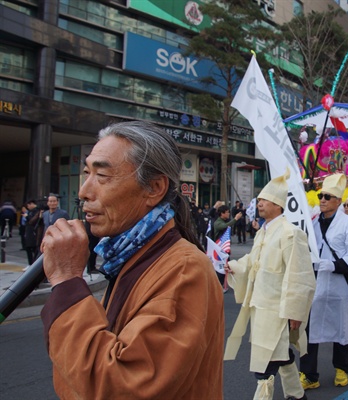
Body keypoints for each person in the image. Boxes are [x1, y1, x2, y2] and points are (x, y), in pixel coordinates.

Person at [39, 121, 224, 399]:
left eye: (102, 176)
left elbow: (121, 385)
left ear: (154, 188)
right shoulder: (129, 256)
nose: (84, 192)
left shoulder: (184, 269)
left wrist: (67, 281)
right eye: (86, 173)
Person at [224, 170, 316, 400]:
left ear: (278, 205)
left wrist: (295, 311)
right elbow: (253, 262)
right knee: (281, 356)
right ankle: (297, 395)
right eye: (260, 200)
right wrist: (234, 266)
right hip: (260, 307)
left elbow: (300, 275)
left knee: (265, 365)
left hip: (278, 311)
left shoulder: (290, 233)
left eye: (265, 200)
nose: (260, 203)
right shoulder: (263, 232)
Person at [299, 173, 348, 390]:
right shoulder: (313, 222)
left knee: (341, 327)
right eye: (321, 195)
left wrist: (335, 266)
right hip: (316, 284)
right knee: (310, 330)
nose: (323, 199)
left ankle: (342, 368)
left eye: (328, 196)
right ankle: (309, 375)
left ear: (338, 200)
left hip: (339, 286)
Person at [213, 204, 242, 290]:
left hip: (224, 249)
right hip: (219, 249)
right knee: (221, 268)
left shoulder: (224, 221)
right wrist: (235, 219)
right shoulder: (218, 223)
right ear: (222, 213)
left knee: (226, 266)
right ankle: (219, 285)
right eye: (227, 212)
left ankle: (224, 284)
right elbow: (225, 226)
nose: (228, 214)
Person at [23, 199, 43, 267]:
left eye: (28, 205)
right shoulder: (31, 211)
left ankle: (33, 264)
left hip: (34, 233)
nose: (27, 207)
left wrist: (27, 217)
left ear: (31, 204)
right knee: (29, 248)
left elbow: (33, 221)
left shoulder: (36, 211)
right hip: (29, 232)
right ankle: (30, 264)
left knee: (35, 249)